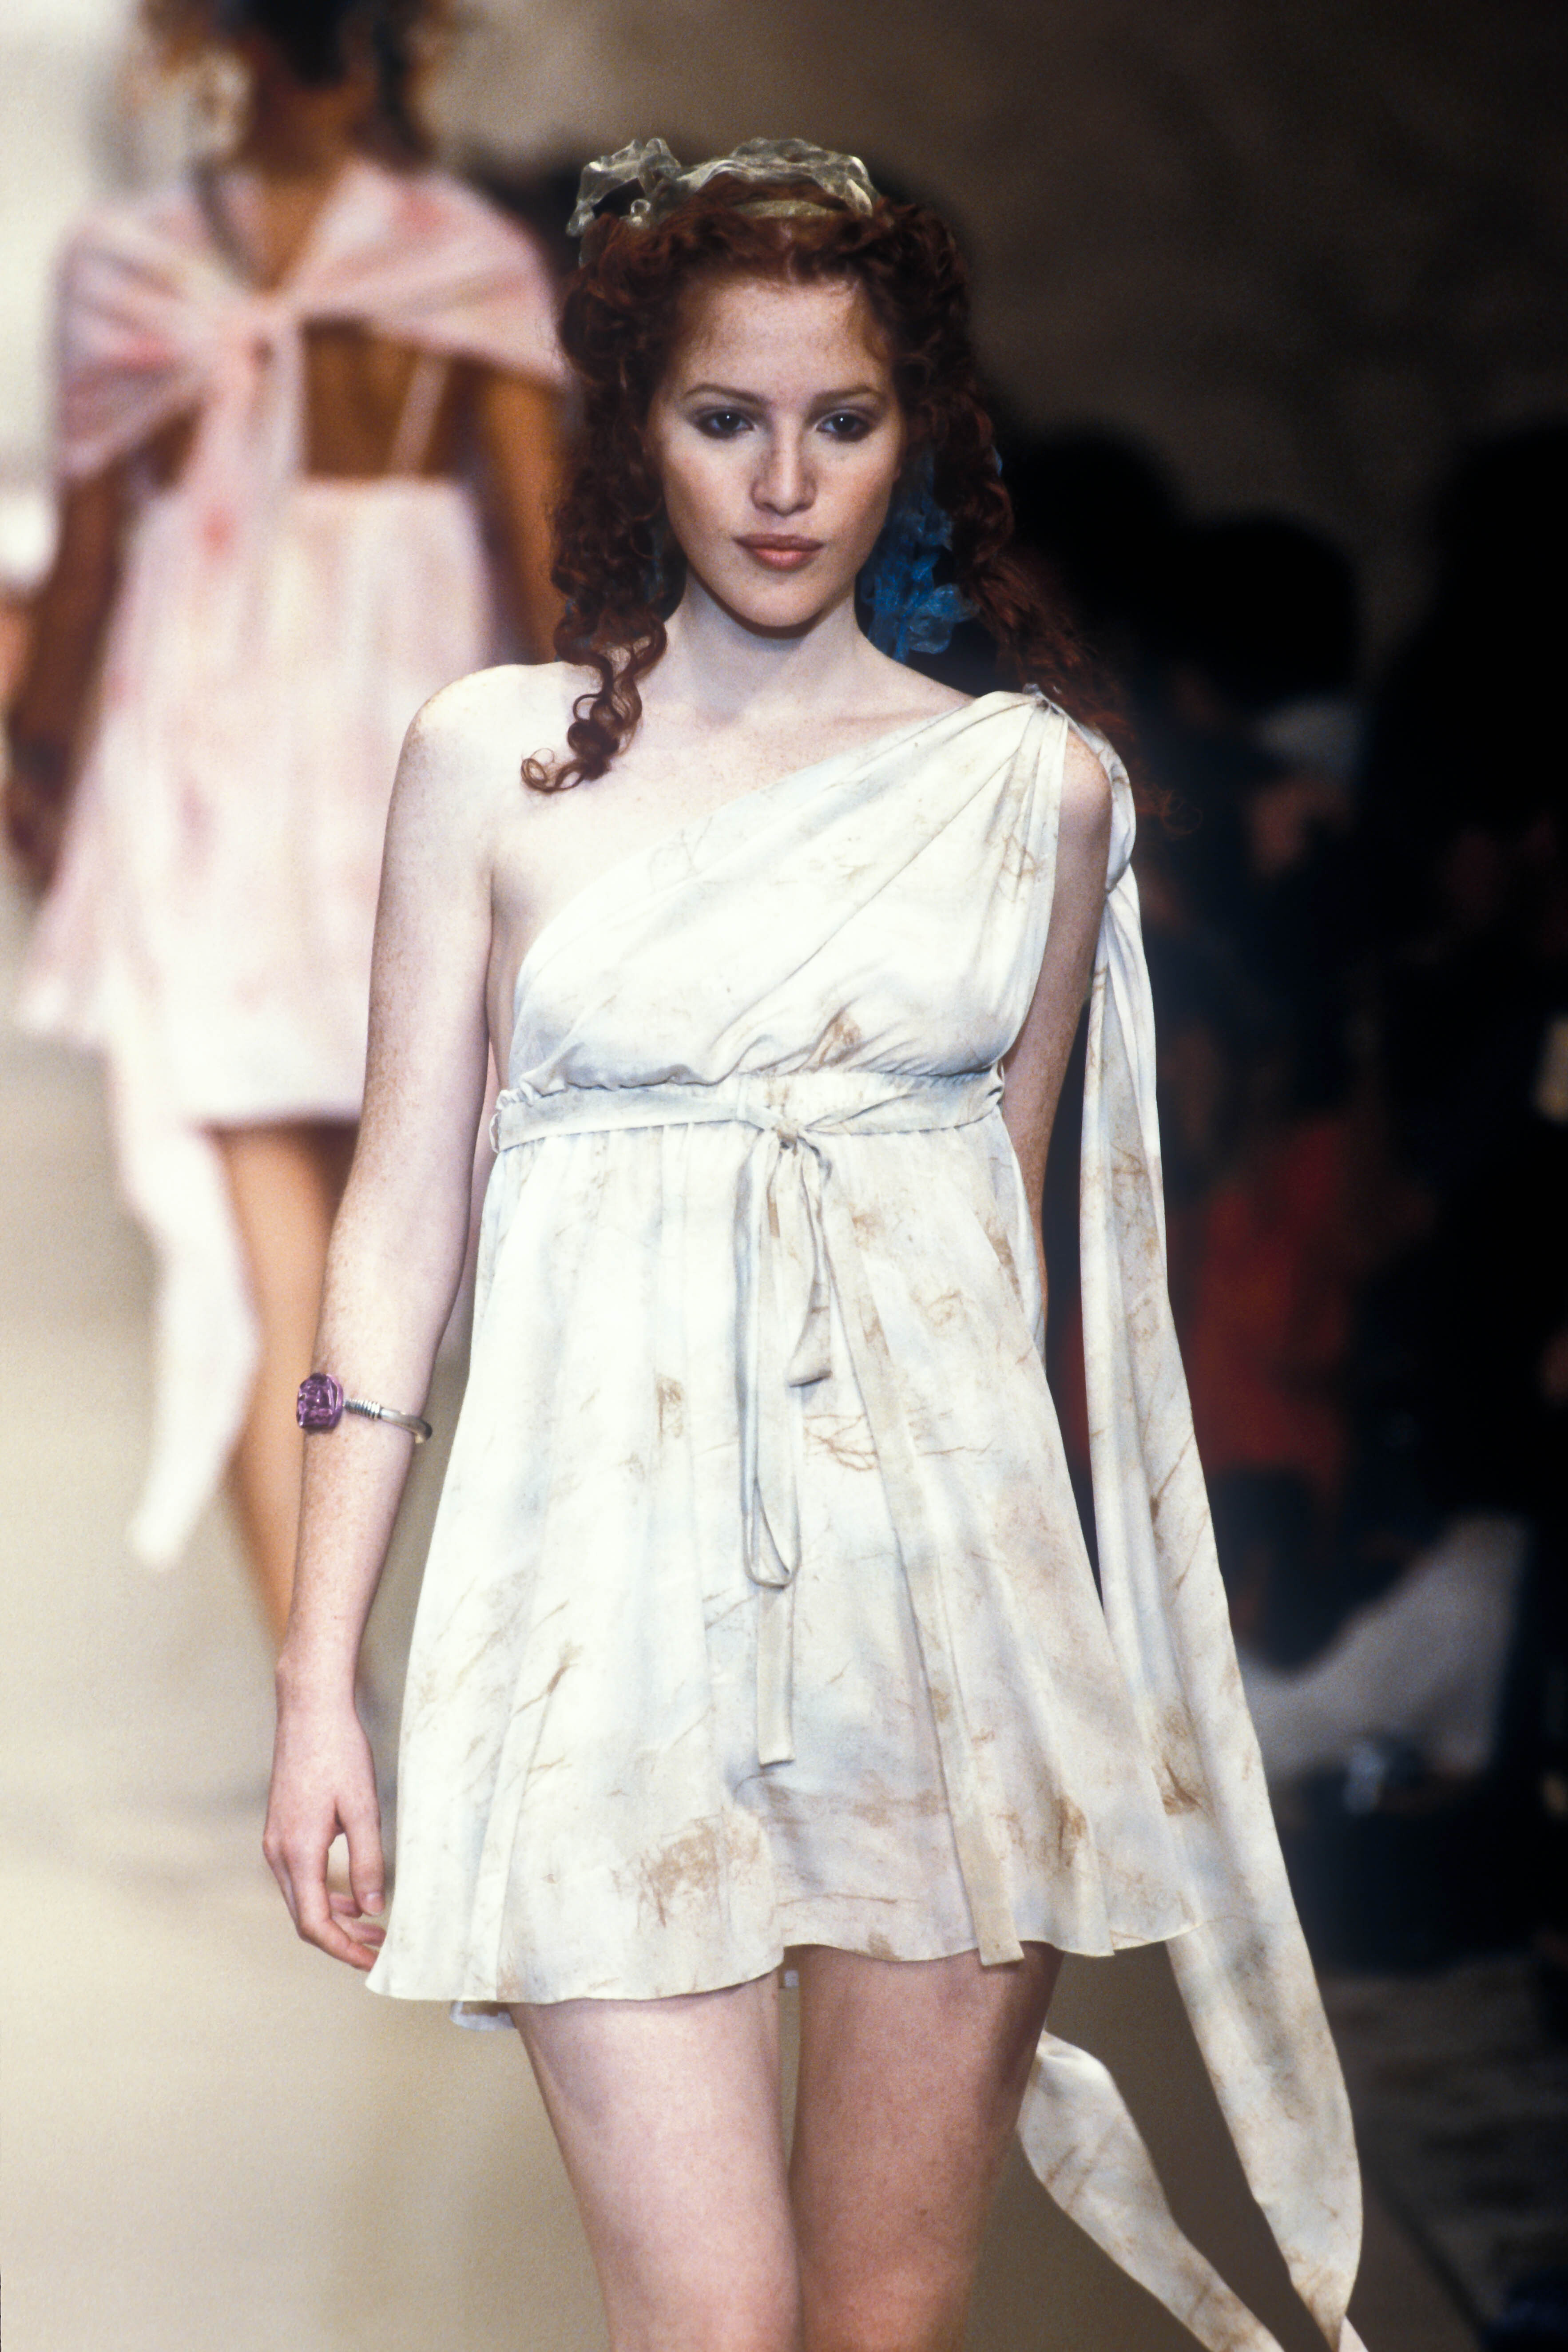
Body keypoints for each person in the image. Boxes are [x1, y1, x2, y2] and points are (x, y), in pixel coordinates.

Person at [263, 139, 1368, 2352]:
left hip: (941, 1627)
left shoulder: (1031, 794)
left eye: (841, 421)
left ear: (917, 433)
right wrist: (318, 1685)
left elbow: (997, 1266)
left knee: (879, 2330)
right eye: (724, 417)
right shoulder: (490, 763)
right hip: (589, 1612)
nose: (783, 485)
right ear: (634, 426)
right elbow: (396, 1220)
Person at [2, 0, 567, 1640]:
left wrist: (40, 777)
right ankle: (396, 1655)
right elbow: (544, 563)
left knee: (275, 1281)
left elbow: (86, 577)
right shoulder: (464, 261)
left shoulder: (133, 269)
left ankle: (323, 1681)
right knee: (402, 1258)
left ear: (213, 45)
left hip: (213, 801)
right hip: (415, 778)